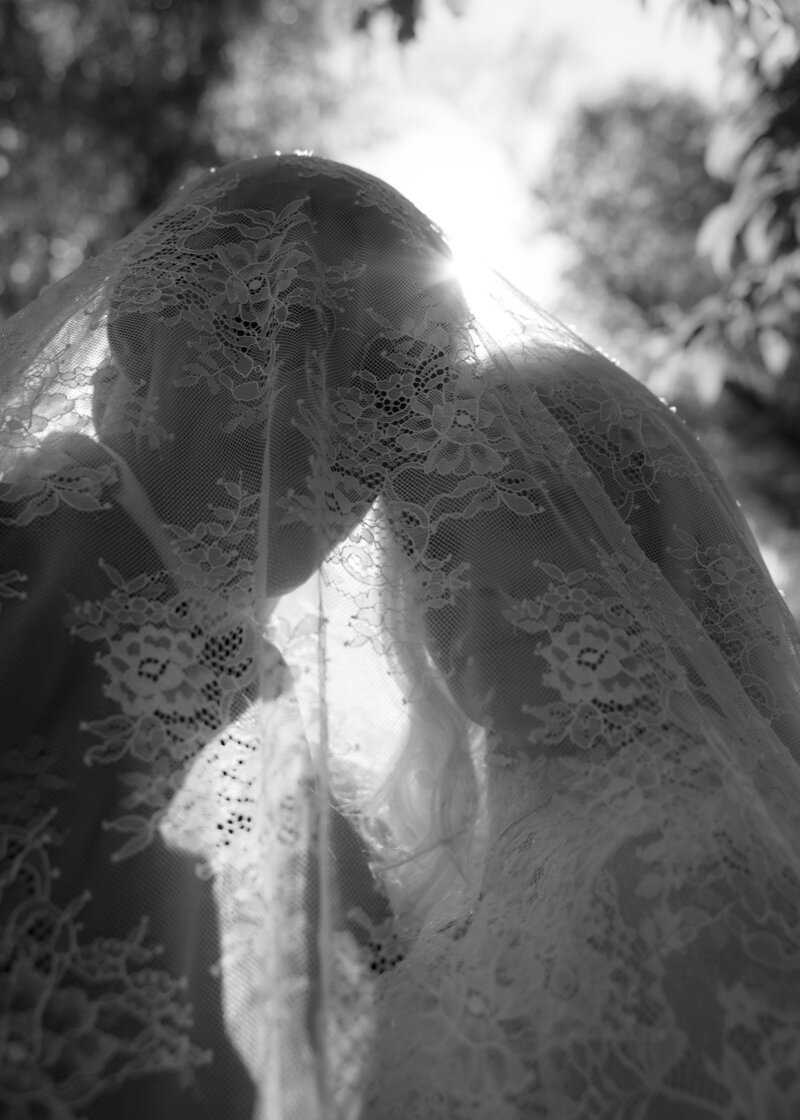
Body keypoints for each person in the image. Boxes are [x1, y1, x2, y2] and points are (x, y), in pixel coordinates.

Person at [1, 153, 799, 1120]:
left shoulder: (279, 754)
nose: (320, 421)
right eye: (268, 337)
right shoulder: (30, 577)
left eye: (389, 389)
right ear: (135, 343)